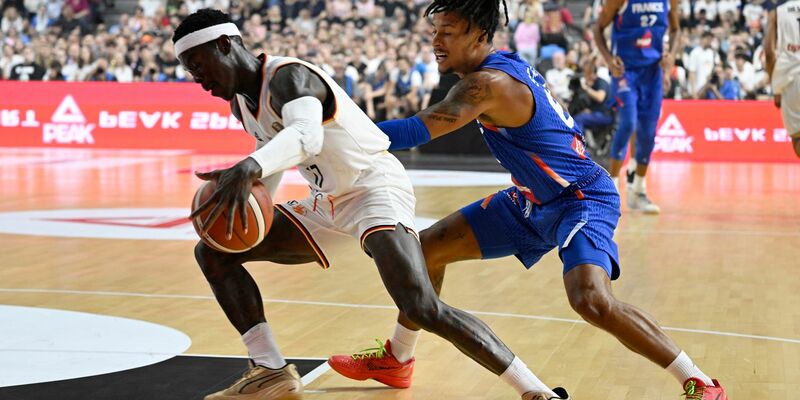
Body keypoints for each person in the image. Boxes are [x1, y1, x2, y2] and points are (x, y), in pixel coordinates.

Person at [327, 1, 728, 399]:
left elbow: (414, 132)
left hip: (582, 197)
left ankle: (701, 382)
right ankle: (398, 359)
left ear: (479, 35)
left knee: (590, 300)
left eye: (447, 31)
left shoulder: (486, 85)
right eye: (434, 31)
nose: (436, 40)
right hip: (531, 200)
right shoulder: (498, 67)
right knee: (426, 250)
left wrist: (329, 128)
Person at [174, 9, 568, 400]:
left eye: (198, 65)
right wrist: (250, 203)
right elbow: (272, 154)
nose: (198, 79)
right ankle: (270, 371)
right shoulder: (242, 104)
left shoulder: (288, 76)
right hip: (326, 201)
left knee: (420, 304)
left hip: (374, 187)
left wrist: (248, 168)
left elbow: (305, 138)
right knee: (214, 253)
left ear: (224, 45)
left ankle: (536, 391)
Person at [594, 0, 681, 214]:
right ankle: (610, 188)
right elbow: (597, 28)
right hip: (626, 70)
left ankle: (638, 190)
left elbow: (677, 29)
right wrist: (607, 59)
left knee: (648, 133)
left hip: (653, 72)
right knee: (628, 122)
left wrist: (671, 58)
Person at [764, 0, 800, 158]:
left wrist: (776, 88)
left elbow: (769, 53)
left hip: (792, 77)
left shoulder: (777, 12)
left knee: (798, 137)